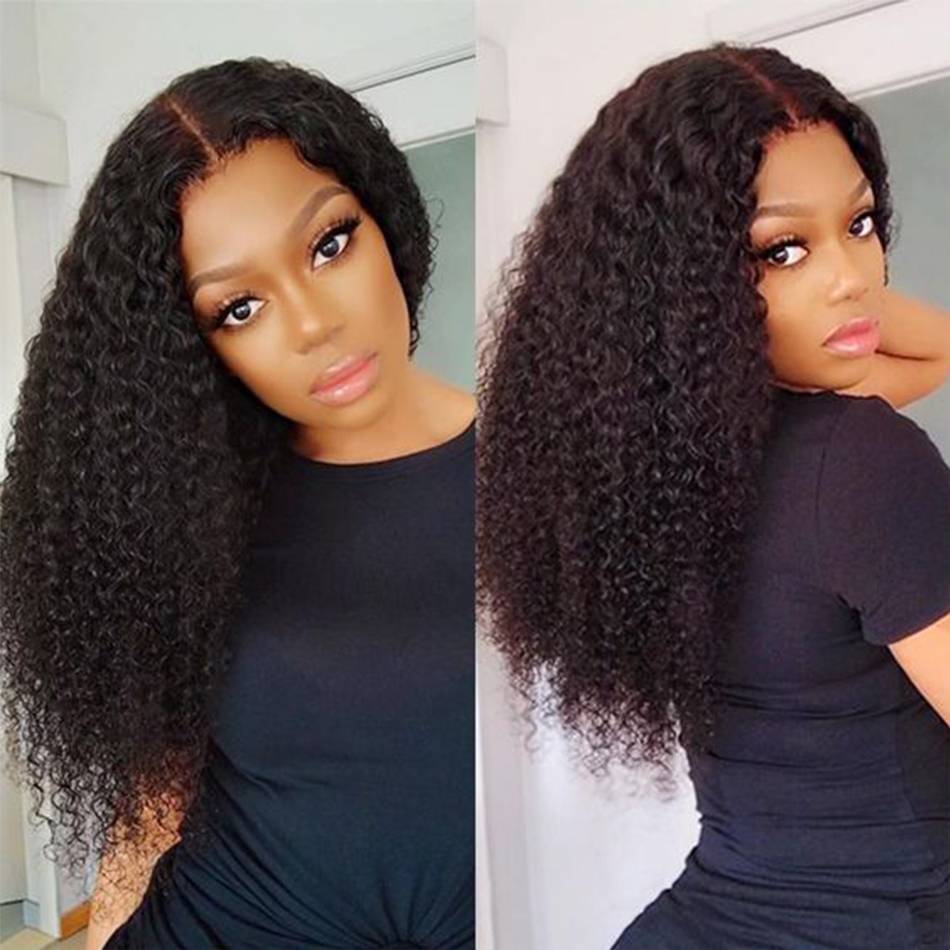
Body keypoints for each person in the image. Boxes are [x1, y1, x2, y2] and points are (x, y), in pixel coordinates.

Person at [476, 42, 949, 949]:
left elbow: (934, 353)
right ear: (685, 288)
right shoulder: (860, 461)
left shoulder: (664, 465)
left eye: (860, 223)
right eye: (780, 249)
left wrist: (823, 285)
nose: (853, 273)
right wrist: (835, 282)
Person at [0, 57, 475, 950]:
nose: (313, 324)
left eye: (329, 245)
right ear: (195, 344)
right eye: (240, 307)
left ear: (382, 215)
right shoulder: (197, 512)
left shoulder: (533, 472)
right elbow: (154, 804)